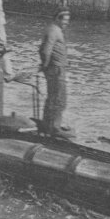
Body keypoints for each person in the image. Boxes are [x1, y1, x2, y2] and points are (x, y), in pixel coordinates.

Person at [39, 7, 71, 138]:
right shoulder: (54, 30)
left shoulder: (54, 29)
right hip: (56, 69)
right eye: (64, 21)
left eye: (68, 21)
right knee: (59, 99)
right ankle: (54, 128)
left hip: (57, 67)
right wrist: (45, 65)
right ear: (57, 19)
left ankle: (47, 125)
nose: (66, 23)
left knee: (53, 97)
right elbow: (46, 50)